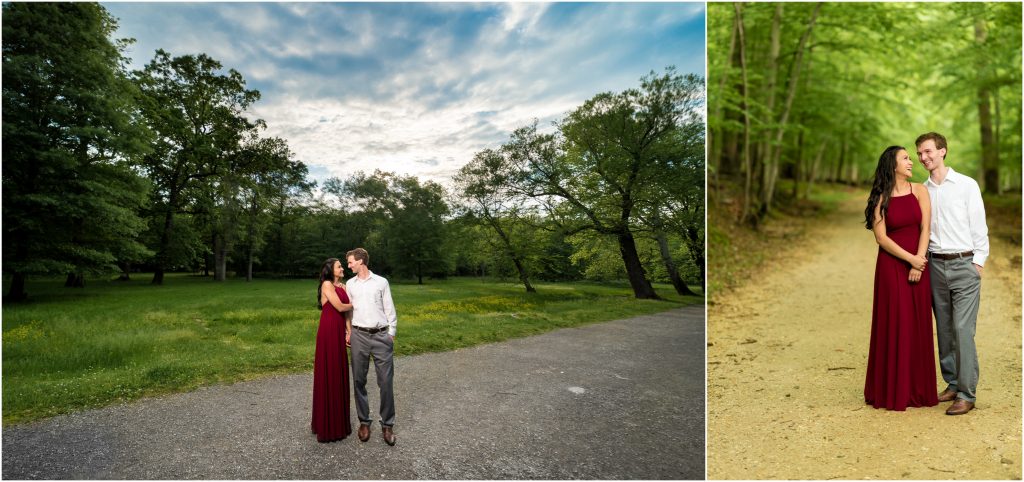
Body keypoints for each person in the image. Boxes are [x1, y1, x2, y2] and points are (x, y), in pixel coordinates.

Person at [916, 132, 989, 416]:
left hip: (964, 264)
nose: (924, 157)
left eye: (928, 151)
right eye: (920, 153)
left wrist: (978, 262)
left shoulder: (966, 185)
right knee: (945, 330)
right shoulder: (921, 190)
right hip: (935, 265)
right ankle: (953, 382)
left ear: (943, 151)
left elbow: (979, 225)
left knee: (962, 330)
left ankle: (967, 393)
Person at [863, 145, 939, 411]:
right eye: (905, 158)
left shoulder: (920, 190)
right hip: (891, 267)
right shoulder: (880, 197)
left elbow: (925, 227)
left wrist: (919, 261)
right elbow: (881, 238)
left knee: (916, 323)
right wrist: (910, 260)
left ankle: (917, 389)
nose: (911, 162)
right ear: (892, 165)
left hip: (920, 262)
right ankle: (890, 389)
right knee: (895, 322)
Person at [345, 248, 398, 445]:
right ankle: (364, 422)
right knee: (359, 380)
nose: (349, 266)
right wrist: (348, 331)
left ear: (360, 261)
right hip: (359, 335)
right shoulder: (350, 284)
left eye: (351, 262)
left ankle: (387, 425)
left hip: (381, 336)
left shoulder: (381, 282)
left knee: (385, 382)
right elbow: (348, 311)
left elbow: (389, 308)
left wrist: (391, 333)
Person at [311, 258, 353, 442]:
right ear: (330, 269)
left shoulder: (342, 286)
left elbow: (345, 314)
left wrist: (349, 332)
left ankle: (340, 423)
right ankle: (327, 426)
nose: (342, 268)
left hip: (338, 331)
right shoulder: (327, 284)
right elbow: (340, 307)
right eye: (339, 266)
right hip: (328, 332)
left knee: (339, 372)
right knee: (330, 371)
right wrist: (360, 304)